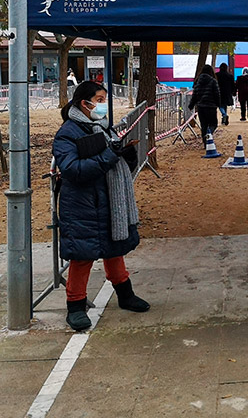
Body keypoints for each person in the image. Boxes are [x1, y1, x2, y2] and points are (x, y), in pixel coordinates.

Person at [53, 81, 149, 332]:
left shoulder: (103, 128)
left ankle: (125, 295)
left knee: (114, 249)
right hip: (82, 205)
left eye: (104, 98)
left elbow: (115, 166)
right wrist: (109, 155)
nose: (103, 104)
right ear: (84, 103)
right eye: (99, 99)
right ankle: (75, 306)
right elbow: (73, 170)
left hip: (109, 201)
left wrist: (125, 155)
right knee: (82, 256)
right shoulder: (68, 133)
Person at [189, 64, 222, 140]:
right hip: (211, 106)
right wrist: (218, 104)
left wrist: (191, 105)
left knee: (203, 125)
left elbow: (195, 94)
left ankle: (205, 142)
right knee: (213, 124)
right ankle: (208, 134)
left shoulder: (198, 81)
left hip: (200, 107)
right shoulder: (213, 81)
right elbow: (217, 93)